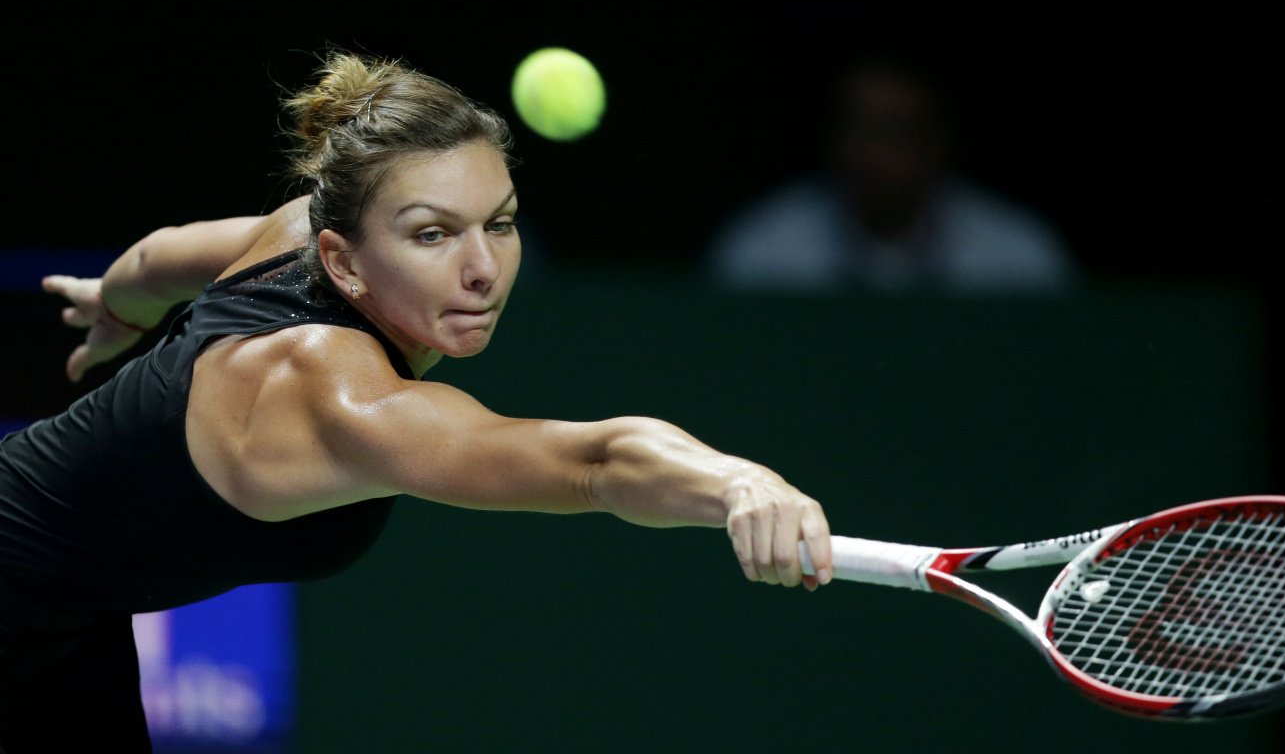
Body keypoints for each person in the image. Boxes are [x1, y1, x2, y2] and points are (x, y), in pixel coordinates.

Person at [0, 52, 834, 752]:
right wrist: (738, 483)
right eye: (433, 234)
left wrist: (115, 308)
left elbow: (157, 259)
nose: (483, 270)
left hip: (65, 619)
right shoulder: (341, 401)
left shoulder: (299, 230)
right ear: (343, 260)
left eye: (499, 224)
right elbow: (595, 462)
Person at [709, 57, 1077, 293]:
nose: (874, 154)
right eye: (862, 130)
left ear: (939, 143)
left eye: (896, 133)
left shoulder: (1018, 254)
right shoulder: (763, 249)